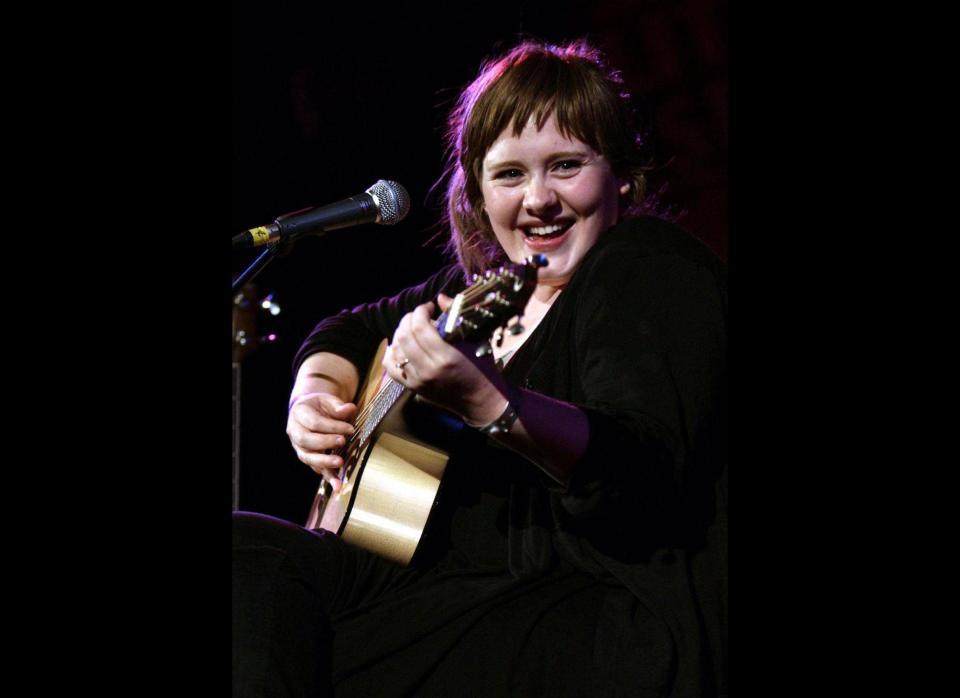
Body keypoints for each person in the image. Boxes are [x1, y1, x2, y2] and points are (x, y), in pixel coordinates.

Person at [233, 38, 727, 698]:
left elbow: (642, 464)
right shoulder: (483, 290)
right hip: (432, 592)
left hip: (582, 615)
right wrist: (314, 394)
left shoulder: (643, 264)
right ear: (478, 192)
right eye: (511, 175)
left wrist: (493, 403)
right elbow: (349, 329)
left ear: (623, 178)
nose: (540, 199)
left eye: (566, 166)